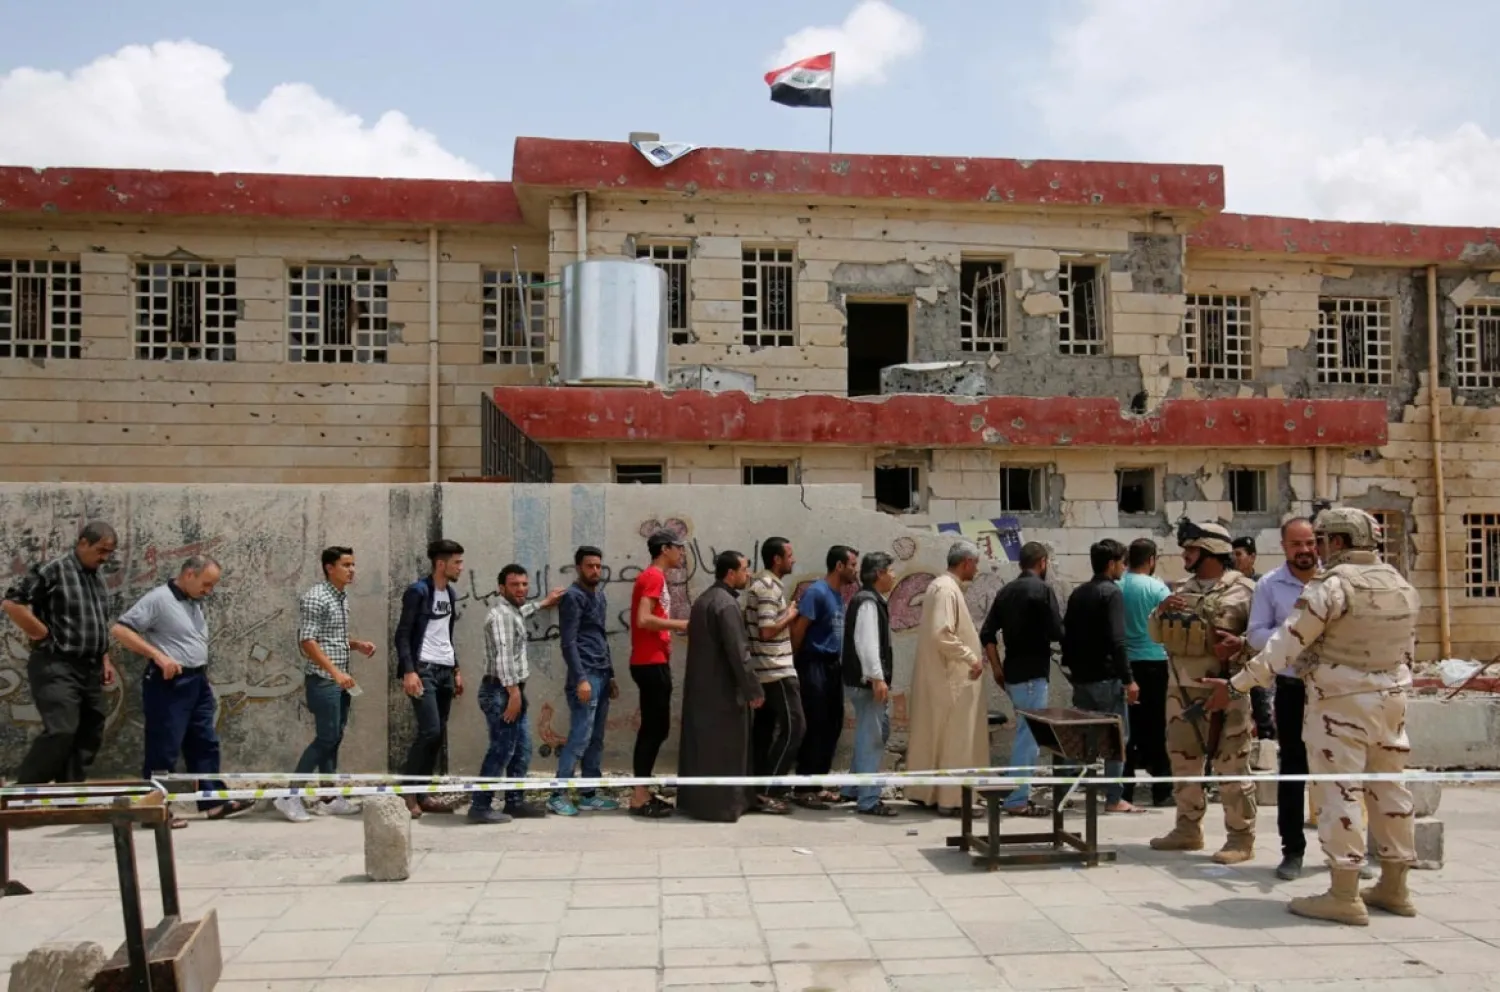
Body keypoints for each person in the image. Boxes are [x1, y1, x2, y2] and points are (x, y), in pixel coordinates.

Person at [1204, 507, 1420, 926]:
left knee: (1339, 794)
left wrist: (1235, 686)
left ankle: (1343, 893)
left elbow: (1285, 645)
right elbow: (1409, 648)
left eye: (1320, 540)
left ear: (1336, 541)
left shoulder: (1332, 587)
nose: (1317, 549)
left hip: (1339, 705)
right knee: (1390, 790)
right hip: (1391, 700)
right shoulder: (1399, 583)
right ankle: (1395, 886)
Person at [1146, 520, 1258, 863]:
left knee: (1231, 766)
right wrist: (1161, 612)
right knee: (1183, 762)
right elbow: (1155, 633)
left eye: (1191, 549)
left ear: (1211, 551)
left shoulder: (1244, 591)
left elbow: (1262, 641)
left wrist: (1239, 646)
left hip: (1226, 692)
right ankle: (1187, 829)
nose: (1184, 555)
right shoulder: (1181, 589)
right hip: (1180, 690)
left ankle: (1240, 837)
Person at [112, 555, 250, 827]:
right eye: (206, 584)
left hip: (197, 681)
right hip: (169, 683)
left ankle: (213, 802)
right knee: (164, 747)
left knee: (204, 742)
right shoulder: (159, 599)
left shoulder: (193, 601)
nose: (209, 591)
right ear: (189, 574)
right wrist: (158, 656)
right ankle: (154, 811)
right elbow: (121, 630)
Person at [2, 521, 119, 785]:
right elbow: (13, 603)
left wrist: (105, 659)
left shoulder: (97, 578)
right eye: (101, 550)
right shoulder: (54, 570)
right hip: (56, 664)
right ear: (83, 543)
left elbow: (98, 622)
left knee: (90, 731)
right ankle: (24, 792)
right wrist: (41, 634)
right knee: (62, 730)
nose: (105, 558)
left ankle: (69, 791)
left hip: (90, 668)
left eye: (109, 553)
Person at [1243, 517, 1320, 880]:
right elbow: (1255, 635)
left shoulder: (1336, 580)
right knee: (1292, 768)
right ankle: (1293, 850)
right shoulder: (1270, 585)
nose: (1305, 550)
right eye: (1296, 544)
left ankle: (1345, 853)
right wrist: (1294, 635)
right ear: (1284, 547)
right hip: (1292, 689)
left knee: (1342, 772)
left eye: (1310, 543)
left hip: (1333, 691)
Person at [277, 546, 377, 823]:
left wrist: (356, 645)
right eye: (346, 565)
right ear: (329, 568)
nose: (352, 570)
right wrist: (335, 673)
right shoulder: (316, 597)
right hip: (324, 681)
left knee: (334, 738)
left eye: (353, 564)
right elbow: (308, 641)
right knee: (326, 738)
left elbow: (330, 639)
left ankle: (329, 798)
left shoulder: (340, 597)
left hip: (340, 680)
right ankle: (289, 796)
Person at [469, 564, 564, 824]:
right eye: (515, 585)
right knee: (502, 750)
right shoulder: (501, 616)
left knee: (521, 749)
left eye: (524, 584)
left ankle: (514, 802)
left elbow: (521, 612)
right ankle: (480, 806)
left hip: (510, 690)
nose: (521, 589)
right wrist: (513, 694)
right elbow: (504, 657)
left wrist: (543, 603)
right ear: (501, 588)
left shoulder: (511, 612)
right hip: (501, 691)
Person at [677, 550, 765, 823]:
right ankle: (725, 807)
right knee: (727, 752)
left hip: (702, 691)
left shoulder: (704, 600)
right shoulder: (726, 605)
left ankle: (697, 804)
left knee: (702, 751)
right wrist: (753, 689)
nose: (748, 574)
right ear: (731, 573)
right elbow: (739, 652)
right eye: (745, 569)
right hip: (723, 694)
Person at [979, 541, 1063, 817]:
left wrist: (996, 668)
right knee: (1029, 737)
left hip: (1013, 675)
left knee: (1025, 733)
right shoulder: (1042, 590)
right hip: (1032, 675)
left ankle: (1014, 792)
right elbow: (1057, 631)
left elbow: (987, 634)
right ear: (1042, 562)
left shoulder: (1006, 591)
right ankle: (1017, 799)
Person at [905, 541, 989, 815]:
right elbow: (942, 633)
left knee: (939, 738)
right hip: (952, 680)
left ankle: (929, 794)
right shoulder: (946, 589)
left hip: (945, 678)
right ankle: (952, 800)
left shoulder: (942, 587)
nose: (976, 570)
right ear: (966, 562)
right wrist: (971, 657)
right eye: (976, 564)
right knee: (957, 740)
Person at [1061, 539, 1139, 814]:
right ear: (1111, 564)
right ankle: (1114, 798)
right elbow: (1118, 640)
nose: (1124, 568)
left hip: (1082, 678)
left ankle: (1069, 790)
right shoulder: (1112, 593)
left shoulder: (1078, 593)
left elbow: (1067, 635)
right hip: (1107, 679)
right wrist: (1129, 679)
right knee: (1117, 739)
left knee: (1084, 739)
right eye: (1122, 563)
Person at [394, 538, 466, 819]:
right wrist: (409, 670)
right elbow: (402, 634)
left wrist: (456, 669)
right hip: (423, 669)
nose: (460, 567)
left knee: (437, 736)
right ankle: (408, 793)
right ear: (440, 564)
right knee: (430, 731)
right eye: (456, 562)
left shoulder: (450, 593)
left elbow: (445, 634)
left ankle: (423, 794)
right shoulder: (418, 591)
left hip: (445, 669)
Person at [549, 545, 621, 816]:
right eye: (590, 566)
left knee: (596, 738)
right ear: (579, 567)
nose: (595, 571)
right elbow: (568, 642)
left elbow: (600, 636)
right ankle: (557, 795)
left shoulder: (599, 596)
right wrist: (580, 678)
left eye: (598, 566)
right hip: (586, 675)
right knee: (580, 736)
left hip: (601, 673)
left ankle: (588, 793)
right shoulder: (573, 597)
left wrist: (610, 674)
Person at [790, 545, 858, 810]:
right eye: (852, 565)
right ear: (839, 566)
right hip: (813, 665)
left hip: (832, 667)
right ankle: (803, 789)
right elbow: (798, 632)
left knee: (832, 725)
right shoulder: (816, 593)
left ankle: (817, 784)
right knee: (816, 725)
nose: (855, 570)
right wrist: (799, 666)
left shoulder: (838, 595)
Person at [628, 529, 689, 819]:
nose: (682, 553)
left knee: (656, 729)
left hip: (653, 661)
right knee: (654, 730)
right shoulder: (653, 576)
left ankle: (641, 790)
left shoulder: (655, 577)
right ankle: (639, 795)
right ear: (665, 549)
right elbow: (643, 619)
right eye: (679, 547)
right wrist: (682, 624)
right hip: (649, 662)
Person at [744, 537, 804, 815]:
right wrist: (791, 614)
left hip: (765, 671)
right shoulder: (767, 587)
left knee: (764, 732)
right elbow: (767, 630)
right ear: (777, 559)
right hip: (775, 671)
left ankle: (757, 790)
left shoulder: (765, 585)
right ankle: (768, 792)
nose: (794, 560)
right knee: (795, 729)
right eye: (789, 555)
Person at [841, 552, 900, 817]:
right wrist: (877, 678)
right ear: (879, 573)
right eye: (891, 570)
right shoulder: (867, 601)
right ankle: (868, 799)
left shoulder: (870, 599)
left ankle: (852, 787)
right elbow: (866, 643)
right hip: (867, 683)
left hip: (866, 681)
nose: (894, 576)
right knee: (872, 738)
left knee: (876, 732)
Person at [1119, 538, 1173, 808]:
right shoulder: (1157, 587)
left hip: (1125, 665)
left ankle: (1124, 791)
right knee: (1157, 727)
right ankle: (1161, 790)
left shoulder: (1117, 585)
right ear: (1151, 560)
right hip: (1154, 662)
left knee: (1126, 730)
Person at [1232, 536, 1276, 745]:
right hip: (1234, 655)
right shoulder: (1228, 585)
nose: (1234, 559)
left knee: (1262, 705)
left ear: (1252, 557)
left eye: (1239, 554)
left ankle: (1266, 747)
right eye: (1232, 554)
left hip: (1257, 655)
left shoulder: (1262, 584)